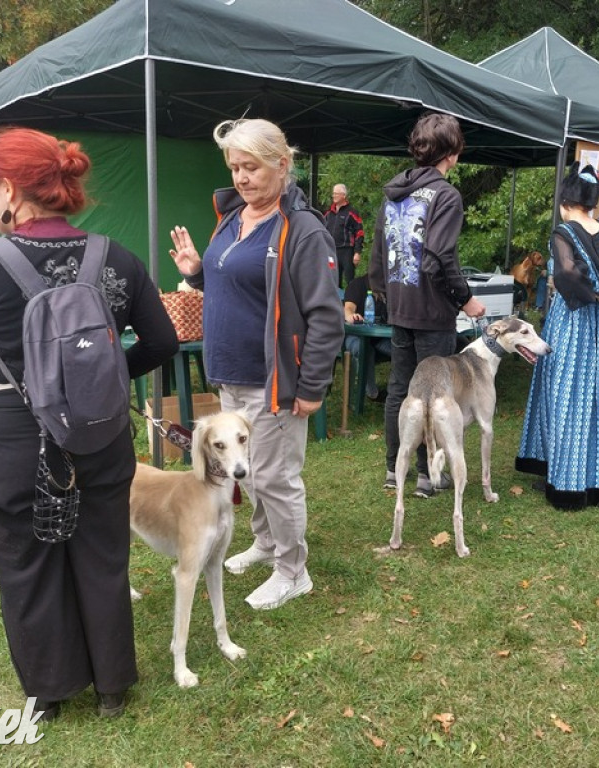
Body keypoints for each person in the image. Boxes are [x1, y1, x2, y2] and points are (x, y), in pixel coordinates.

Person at [0, 127, 179, 721]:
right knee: (101, 550)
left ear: (9, 189)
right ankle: (112, 686)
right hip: (101, 428)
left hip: (14, 435)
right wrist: (108, 377)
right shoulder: (114, 256)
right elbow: (163, 341)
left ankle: (53, 689)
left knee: (24, 559)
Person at [169, 118, 343, 611]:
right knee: (245, 470)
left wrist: (312, 384)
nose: (241, 178)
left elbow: (325, 316)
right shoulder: (232, 217)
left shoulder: (302, 231)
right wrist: (199, 274)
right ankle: (266, 545)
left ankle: (293, 570)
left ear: (282, 165)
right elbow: (239, 288)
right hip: (230, 373)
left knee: (274, 477)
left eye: (251, 167)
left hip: (275, 381)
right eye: (234, 168)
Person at [369, 112, 486, 497]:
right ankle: (425, 474)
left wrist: (383, 294)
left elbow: (377, 254)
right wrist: (466, 299)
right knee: (435, 395)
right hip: (432, 311)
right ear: (451, 152)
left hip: (400, 305)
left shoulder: (394, 194)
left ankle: (393, 468)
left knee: (402, 389)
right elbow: (440, 257)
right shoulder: (446, 195)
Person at [516, 163, 599, 510]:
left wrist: (590, 292)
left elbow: (567, 275)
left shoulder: (563, 233)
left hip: (572, 319)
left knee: (565, 393)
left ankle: (568, 484)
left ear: (566, 201)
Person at [343, 273, 391, 401]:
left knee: (403, 348)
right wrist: (351, 316)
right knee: (364, 348)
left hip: (381, 338)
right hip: (357, 336)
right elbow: (348, 309)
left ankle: (396, 391)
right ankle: (372, 393)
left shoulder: (391, 287)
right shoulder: (357, 285)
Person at [323, 183, 364, 289]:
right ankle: (336, 303)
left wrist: (357, 252)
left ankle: (351, 303)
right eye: (333, 193)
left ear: (343, 195)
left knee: (350, 279)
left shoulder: (352, 212)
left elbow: (359, 232)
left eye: (336, 193)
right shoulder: (328, 213)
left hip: (347, 251)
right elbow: (323, 231)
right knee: (333, 279)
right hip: (332, 250)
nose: (334, 196)